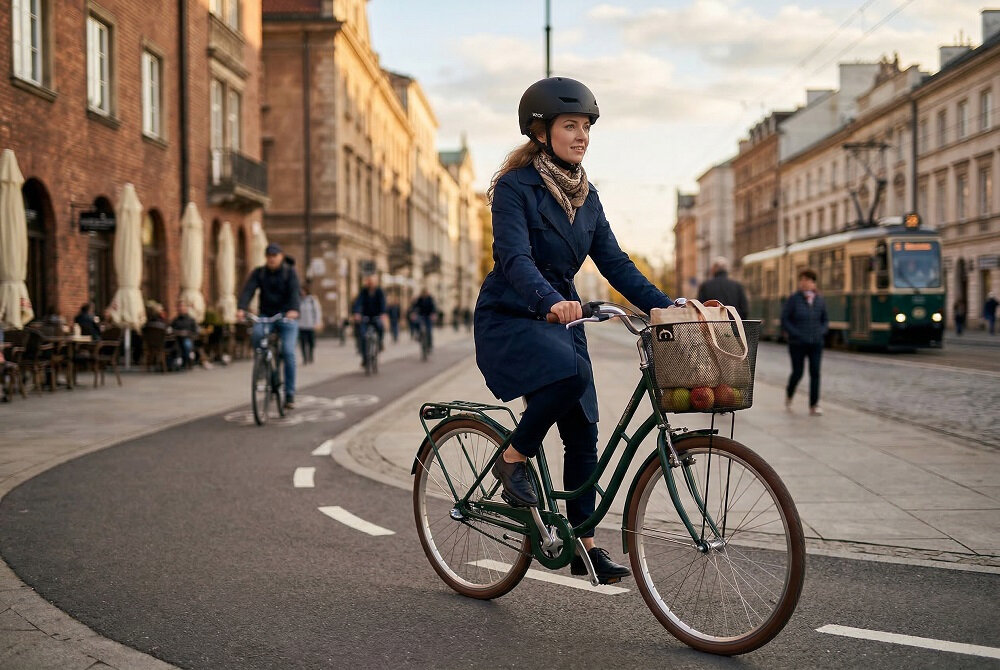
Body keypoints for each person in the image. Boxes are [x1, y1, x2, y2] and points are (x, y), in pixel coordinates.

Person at [475, 77, 672, 583]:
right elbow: (514, 257)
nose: (581, 135)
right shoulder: (515, 188)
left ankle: (585, 546)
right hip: (514, 314)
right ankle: (512, 458)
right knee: (570, 375)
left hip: (564, 318)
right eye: (570, 125)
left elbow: (615, 262)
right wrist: (549, 300)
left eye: (586, 126)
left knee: (584, 429)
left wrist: (668, 308)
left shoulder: (587, 196)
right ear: (541, 132)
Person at [237, 243, 301, 410]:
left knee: (288, 352)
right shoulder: (260, 273)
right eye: (269, 256)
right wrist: (241, 308)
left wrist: (294, 309)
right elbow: (248, 290)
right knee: (257, 334)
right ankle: (264, 366)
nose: (271, 259)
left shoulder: (289, 272)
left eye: (274, 256)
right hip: (266, 315)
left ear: (281, 256)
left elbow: (295, 292)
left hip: (287, 316)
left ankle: (289, 394)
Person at [781, 269, 828, 416]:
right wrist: (796, 333)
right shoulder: (793, 299)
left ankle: (814, 405)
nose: (803, 283)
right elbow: (785, 319)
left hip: (816, 343)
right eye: (801, 280)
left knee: (815, 373)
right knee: (798, 372)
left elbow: (825, 320)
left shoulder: (819, 300)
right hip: (797, 343)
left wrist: (821, 331)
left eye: (807, 280)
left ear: (814, 283)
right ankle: (789, 393)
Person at [352, 274, 387, 367]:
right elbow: (358, 302)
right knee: (363, 336)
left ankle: (380, 343)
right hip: (365, 317)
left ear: (375, 283)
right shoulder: (363, 291)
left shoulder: (379, 292)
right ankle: (365, 358)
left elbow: (383, 303)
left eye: (372, 282)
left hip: (376, 316)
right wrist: (357, 313)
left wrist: (383, 313)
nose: (370, 284)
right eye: (369, 282)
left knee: (380, 327)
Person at [169, 301, 199, 369]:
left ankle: (187, 359)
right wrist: (177, 332)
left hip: (188, 339)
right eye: (179, 307)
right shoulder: (175, 320)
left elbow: (195, 331)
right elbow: (171, 330)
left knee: (186, 343)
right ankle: (180, 360)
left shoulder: (191, 320)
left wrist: (187, 333)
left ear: (186, 308)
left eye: (183, 306)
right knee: (174, 344)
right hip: (177, 339)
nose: (181, 308)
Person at [298, 283, 322, 364]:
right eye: (301, 290)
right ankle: (305, 358)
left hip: (310, 325)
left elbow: (317, 312)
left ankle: (310, 355)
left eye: (303, 290)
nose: (302, 292)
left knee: (311, 342)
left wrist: (317, 322)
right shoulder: (298, 300)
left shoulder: (312, 300)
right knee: (302, 343)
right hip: (301, 325)